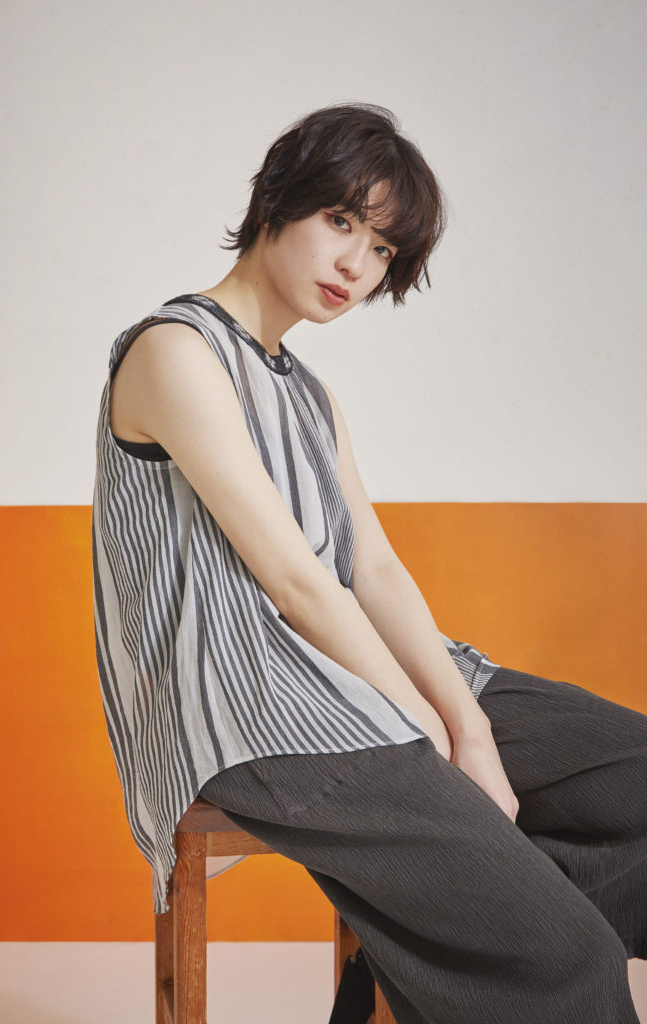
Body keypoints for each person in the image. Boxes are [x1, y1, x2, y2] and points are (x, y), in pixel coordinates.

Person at [91, 101, 646, 1023]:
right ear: (277, 201)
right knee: (565, 956)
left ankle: (429, 944)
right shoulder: (174, 352)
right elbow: (294, 580)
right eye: (340, 220)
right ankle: (491, 938)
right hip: (251, 707)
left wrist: (466, 725)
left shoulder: (307, 393)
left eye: (383, 247)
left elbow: (372, 569)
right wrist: (421, 724)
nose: (356, 264)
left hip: (349, 672)